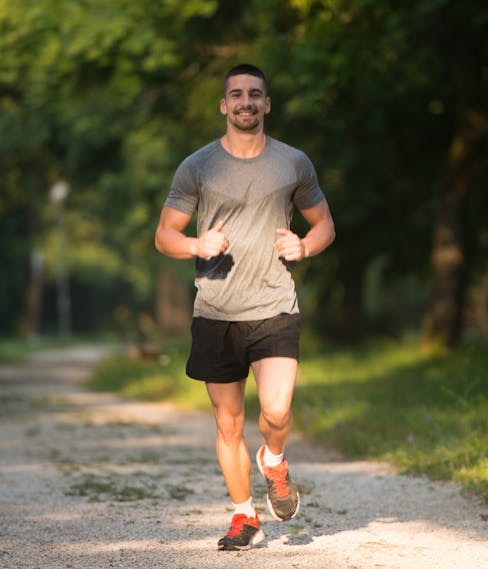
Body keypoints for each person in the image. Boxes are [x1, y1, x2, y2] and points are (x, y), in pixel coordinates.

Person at [154, 63, 335, 551]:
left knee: (276, 410)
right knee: (228, 423)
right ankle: (244, 516)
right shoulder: (197, 166)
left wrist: (305, 246)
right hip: (216, 310)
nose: (246, 102)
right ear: (224, 105)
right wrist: (196, 245)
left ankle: (273, 459)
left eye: (255, 94)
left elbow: (324, 224)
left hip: (274, 304)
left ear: (267, 104)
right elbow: (164, 235)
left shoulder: (293, 163)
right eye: (236, 94)